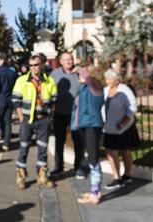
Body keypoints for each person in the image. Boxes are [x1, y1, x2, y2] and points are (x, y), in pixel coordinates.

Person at [12, 55, 57, 189]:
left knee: (43, 149)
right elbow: (16, 100)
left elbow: (54, 99)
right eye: (31, 65)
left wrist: (50, 116)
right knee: (24, 147)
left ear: (42, 65)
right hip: (28, 119)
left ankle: (42, 175)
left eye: (36, 65)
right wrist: (21, 117)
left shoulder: (49, 80)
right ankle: (21, 175)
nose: (34, 68)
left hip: (43, 119)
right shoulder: (22, 80)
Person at [49, 52, 86, 178]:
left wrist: (80, 70)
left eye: (70, 59)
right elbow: (48, 89)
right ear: (60, 61)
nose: (68, 62)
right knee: (59, 141)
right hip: (60, 112)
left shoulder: (79, 71)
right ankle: (59, 167)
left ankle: (79, 167)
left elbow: (90, 81)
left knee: (78, 141)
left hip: (76, 113)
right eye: (65, 60)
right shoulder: (55, 74)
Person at [102, 69, 140, 189]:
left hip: (123, 126)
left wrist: (124, 122)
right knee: (110, 151)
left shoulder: (125, 90)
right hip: (109, 126)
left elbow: (132, 107)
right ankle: (117, 178)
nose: (107, 81)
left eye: (109, 79)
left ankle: (127, 175)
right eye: (106, 79)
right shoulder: (106, 90)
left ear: (117, 80)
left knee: (125, 151)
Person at [72, 66, 105, 204]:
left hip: (93, 125)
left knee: (93, 158)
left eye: (80, 75)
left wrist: (79, 68)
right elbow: (77, 109)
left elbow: (88, 78)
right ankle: (94, 190)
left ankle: (95, 192)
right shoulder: (83, 89)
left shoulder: (95, 86)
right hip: (83, 125)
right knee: (91, 157)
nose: (78, 76)